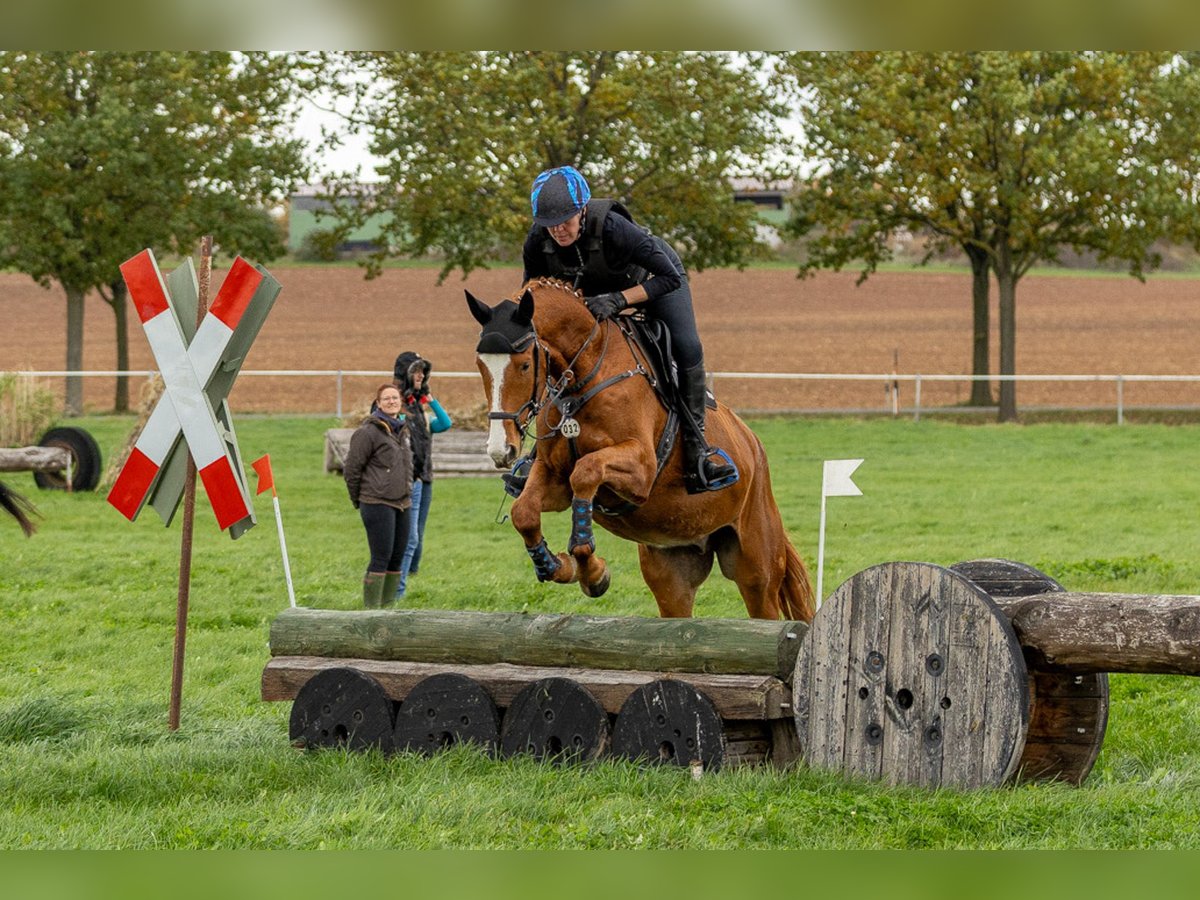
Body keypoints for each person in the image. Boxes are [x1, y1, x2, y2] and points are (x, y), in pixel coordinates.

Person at [521, 165, 737, 493]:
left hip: (650, 283)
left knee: (687, 346)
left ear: (582, 210)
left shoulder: (612, 228)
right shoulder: (538, 240)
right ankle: (538, 453)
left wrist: (619, 300)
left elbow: (669, 278)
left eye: (565, 222)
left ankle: (699, 452)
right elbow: (533, 294)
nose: (559, 231)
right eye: (550, 225)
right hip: (592, 295)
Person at [342, 384, 414, 608]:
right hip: (376, 502)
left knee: (397, 557)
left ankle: (388, 607)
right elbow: (352, 469)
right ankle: (371, 612)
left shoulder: (402, 429)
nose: (392, 402)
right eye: (386, 399)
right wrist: (359, 499)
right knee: (381, 557)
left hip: (402, 502)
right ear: (378, 403)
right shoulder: (368, 432)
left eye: (395, 398)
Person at [391, 351, 453, 599]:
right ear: (404, 373)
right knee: (410, 538)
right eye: (416, 371)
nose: (420, 375)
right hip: (409, 479)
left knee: (418, 535)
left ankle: (407, 575)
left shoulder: (418, 407)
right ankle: (397, 591)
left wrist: (430, 399)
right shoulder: (397, 405)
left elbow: (445, 423)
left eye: (423, 372)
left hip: (425, 478)